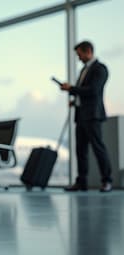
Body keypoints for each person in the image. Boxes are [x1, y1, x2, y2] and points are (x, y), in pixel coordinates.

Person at [60, 41, 112, 192]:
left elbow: (93, 90)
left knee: (98, 148)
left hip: (93, 115)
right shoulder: (84, 70)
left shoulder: (100, 69)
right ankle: (81, 182)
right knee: (80, 151)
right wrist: (74, 99)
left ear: (88, 51)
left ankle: (107, 180)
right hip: (81, 114)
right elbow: (82, 92)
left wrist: (72, 88)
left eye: (79, 54)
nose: (79, 57)